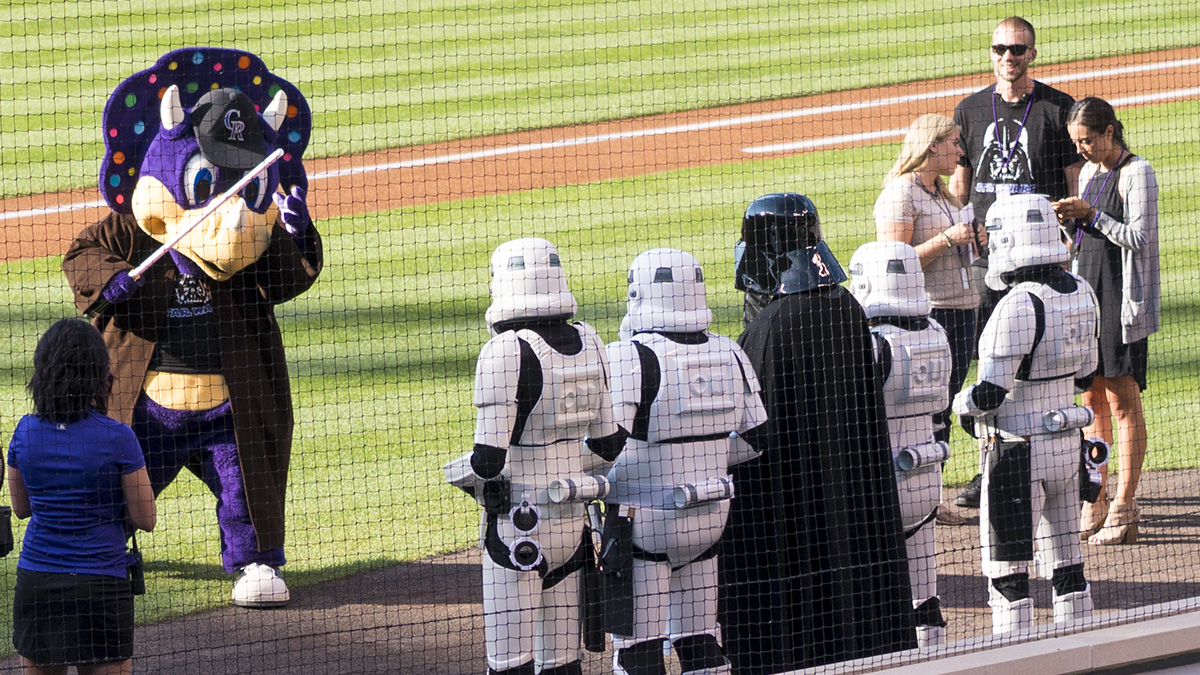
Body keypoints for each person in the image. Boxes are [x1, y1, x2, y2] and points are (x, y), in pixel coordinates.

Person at [61, 48, 323, 608]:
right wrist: (110, 282)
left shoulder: (253, 246)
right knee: (121, 489)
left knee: (244, 488)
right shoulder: (131, 230)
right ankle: (107, 550)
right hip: (148, 404)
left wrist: (299, 237)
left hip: (229, 403)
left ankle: (254, 562)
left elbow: (286, 279)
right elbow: (83, 251)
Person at [719, 193, 915, 674]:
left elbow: (750, 434)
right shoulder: (846, 308)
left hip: (786, 512)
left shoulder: (768, 329)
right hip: (850, 494)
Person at [449, 237, 628, 675]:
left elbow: (488, 462)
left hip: (519, 529)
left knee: (509, 663)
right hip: (572, 525)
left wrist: (462, 474)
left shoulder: (505, 352)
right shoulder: (591, 339)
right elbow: (609, 446)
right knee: (563, 663)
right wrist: (564, 461)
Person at [603, 248, 767, 675]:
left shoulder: (629, 357)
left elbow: (605, 444)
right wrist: (703, 460)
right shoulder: (729, 351)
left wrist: (597, 479)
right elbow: (758, 438)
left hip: (644, 526)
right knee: (701, 638)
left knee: (637, 649)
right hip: (711, 519)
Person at [950, 16, 1083, 509]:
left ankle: (1057, 461)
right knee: (993, 361)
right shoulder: (969, 110)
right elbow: (962, 189)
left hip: (1044, 264)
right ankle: (990, 468)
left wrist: (1072, 245)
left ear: (1033, 54)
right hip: (990, 264)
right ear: (991, 53)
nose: (1009, 56)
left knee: (1044, 362)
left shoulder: (1057, 108)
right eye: (1001, 48)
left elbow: (1076, 184)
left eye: (1019, 49)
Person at [953, 193, 1099, 634]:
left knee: (1008, 576)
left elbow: (990, 394)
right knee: (1068, 567)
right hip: (1067, 445)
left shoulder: (1017, 304)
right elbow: (1086, 378)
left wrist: (959, 404)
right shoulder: (1083, 290)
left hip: (1017, 452)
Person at [7, 318, 157, 675]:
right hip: (100, 587)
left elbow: (21, 508)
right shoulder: (118, 437)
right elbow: (145, 519)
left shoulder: (25, 432)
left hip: (38, 585)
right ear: (96, 373)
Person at [1052, 96, 1160, 545]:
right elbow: (1084, 247)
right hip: (1089, 305)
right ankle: (1095, 497)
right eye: (1077, 143)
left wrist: (1091, 214)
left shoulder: (1137, 172)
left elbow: (1139, 237)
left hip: (1121, 304)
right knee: (1091, 403)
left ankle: (1124, 507)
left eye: (1088, 141)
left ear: (1110, 132)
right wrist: (1066, 224)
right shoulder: (1091, 172)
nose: (1082, 150)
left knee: (1122, 403)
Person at [875, 113, 984, 524]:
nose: (960, 150)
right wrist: (945, 240)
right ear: (932, 145)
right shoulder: (901, 195)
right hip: (929, 316)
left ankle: (930, 496)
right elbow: (893, 265)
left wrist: (974, 241)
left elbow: (957, 247)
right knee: (925, 410)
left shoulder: (940, 191)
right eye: (954, 143)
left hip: (961, 312)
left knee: (942, 406)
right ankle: (915, 498)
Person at [848, 241, 954, 649]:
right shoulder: (938, 333)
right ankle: (939, 657)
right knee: (924, 592)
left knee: (871, 593)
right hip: (927, 475)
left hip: (879, 485)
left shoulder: (873, 345)